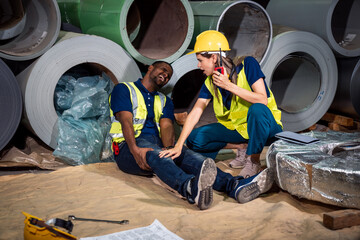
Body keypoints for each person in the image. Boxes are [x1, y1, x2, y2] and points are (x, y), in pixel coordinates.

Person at [109, 61, 272, 210]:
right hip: (127, 148)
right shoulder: (124, 89)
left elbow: (166, 126)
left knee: (189, 157)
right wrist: (135, 150)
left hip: (155, 145)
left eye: (168, 75)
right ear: (150, 68)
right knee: (157, 154)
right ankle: (191, 188)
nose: (165, 75)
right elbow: (126, 121)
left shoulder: (165, 100)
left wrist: (171, 150)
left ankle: (235, 186)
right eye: (163, 69)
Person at [159, 30, 283, 178]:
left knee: (257, 109)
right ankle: (242, 146)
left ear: (213, 57)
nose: (199, 65)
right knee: (194, 138)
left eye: (200, 60)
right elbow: (196, 112)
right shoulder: (210, 81)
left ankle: (253, 160)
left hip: (267, 128)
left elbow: (262, 99)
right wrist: (179, 145)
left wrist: (228, 85)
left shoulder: (247, 64)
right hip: (239, 130)